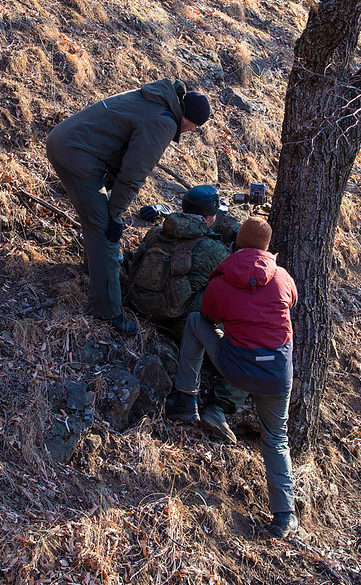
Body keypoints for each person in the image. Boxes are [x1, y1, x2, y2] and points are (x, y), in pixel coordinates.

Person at [164, 217, 300, 538]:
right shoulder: (282, 278)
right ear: (267, 247)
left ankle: (186, 398)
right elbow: (291, 300)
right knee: (276, 439)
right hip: (276, 375)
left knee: (197, 322)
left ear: (237, 242)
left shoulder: (221, 281)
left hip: (235, 367)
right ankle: (284, 516)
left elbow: (209, 316)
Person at [45, 79, 212, 336]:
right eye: (194, 129)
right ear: (190, 122)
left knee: (97, 220)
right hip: (77, 155)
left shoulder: (157, 99)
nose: (190, 132)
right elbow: (133, 174)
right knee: (105, 231)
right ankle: (107, 310)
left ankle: (95, 266)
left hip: (67, 141)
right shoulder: (164, 122)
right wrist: (115, 215)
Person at [126, 185, 245, 441]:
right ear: (209, 217)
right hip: (179, 324)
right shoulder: (212, 250)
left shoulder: (157, 232)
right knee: (248, 341)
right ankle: (217, 407)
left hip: (141, 310)